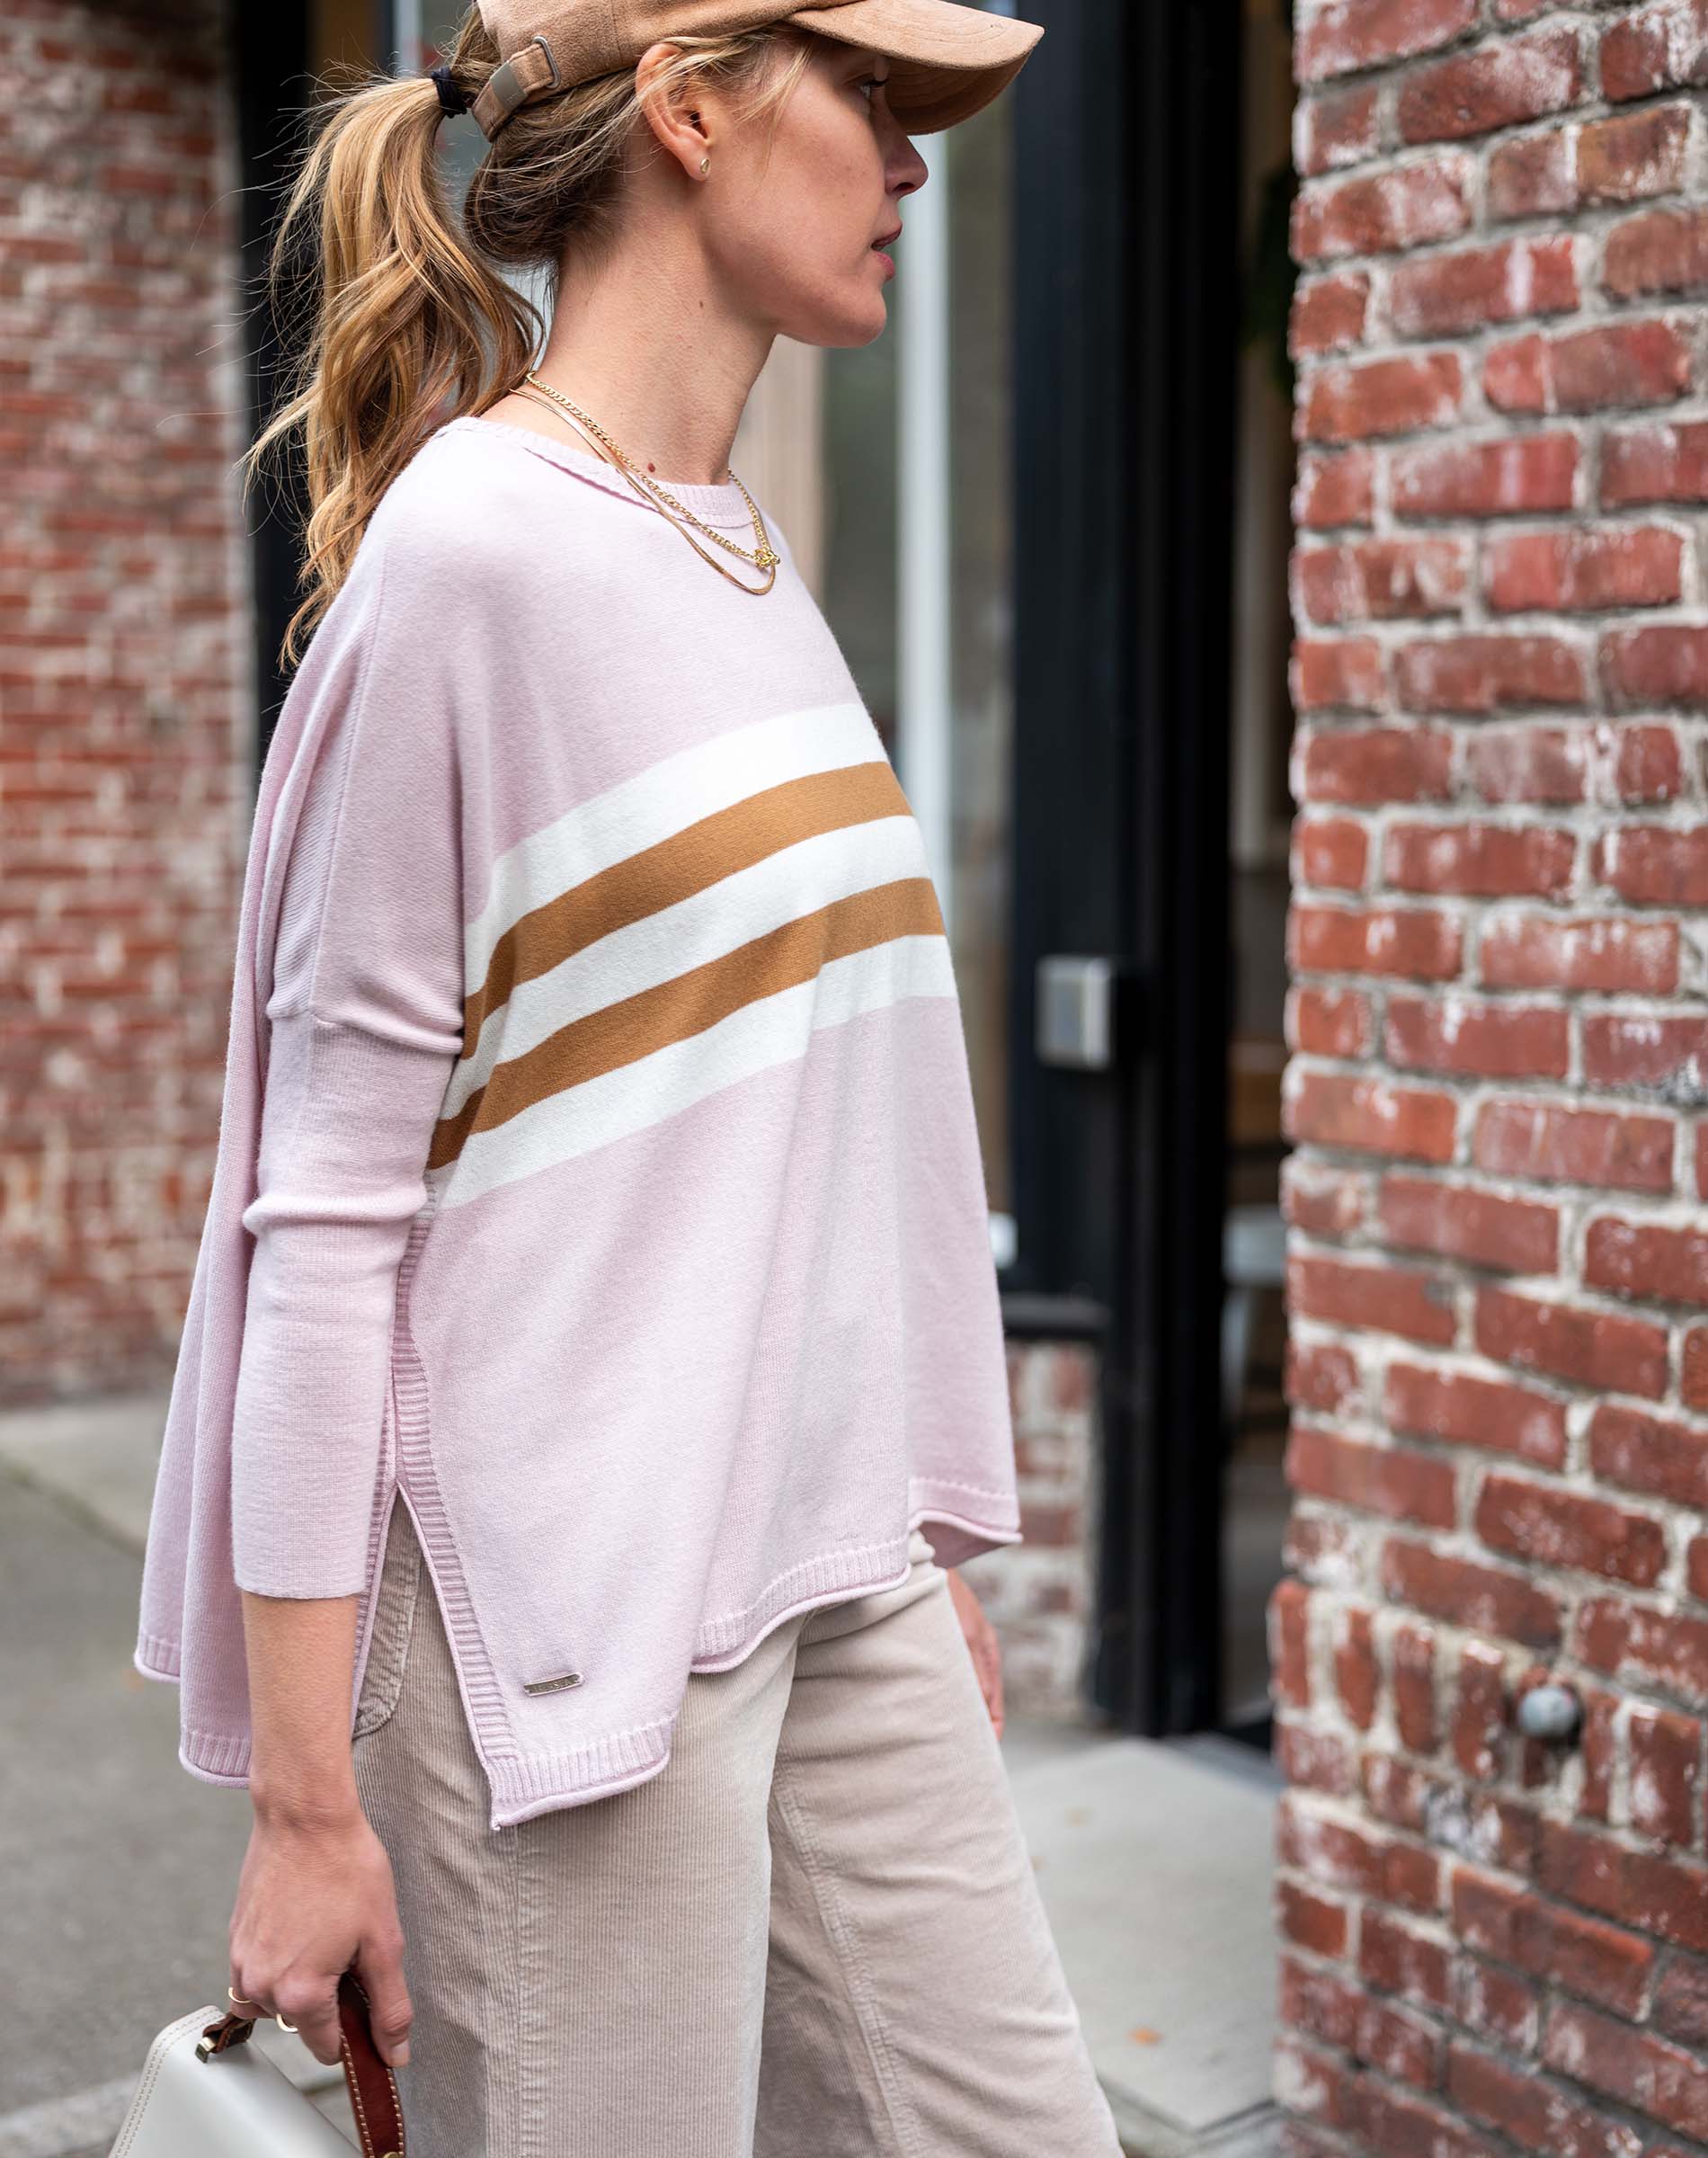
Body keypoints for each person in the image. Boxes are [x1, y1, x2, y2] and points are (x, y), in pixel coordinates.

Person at [134, 2, 1125, 2150]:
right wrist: (308, 1810)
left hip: (819, 1568)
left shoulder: (740, 548)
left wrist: (905, 1544)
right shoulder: (471, 562)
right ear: (687, 107)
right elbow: (323, 1224)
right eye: (866, 95)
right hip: (554, 1625)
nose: (908, 162)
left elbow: (778, 1138)